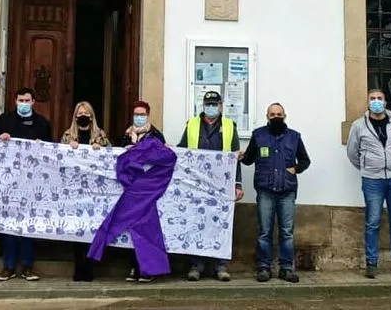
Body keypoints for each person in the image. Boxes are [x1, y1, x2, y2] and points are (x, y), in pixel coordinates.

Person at [346, 88, 391, 279]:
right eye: (372, 98)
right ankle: (371, 263)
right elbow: (353, 152)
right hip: (372, 180)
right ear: (367, 102)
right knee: (373, 221)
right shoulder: (359, 125)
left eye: (379, 98)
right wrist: (367, 166)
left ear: (385, 102)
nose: (376, 101)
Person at [240, 103, 311, 283]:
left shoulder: (294, 137)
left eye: (279, 114)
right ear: (267, 116)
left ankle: (286, 269)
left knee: (287, 232)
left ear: (285, 115)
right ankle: (264, 268)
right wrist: (240, 156)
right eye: (272, 114)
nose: (276, 117)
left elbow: (305, 160)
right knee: (265, 232)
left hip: (287, 191)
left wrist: (296, 168)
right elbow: (249, 159)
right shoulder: (258, 135)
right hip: (265, 190)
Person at [177, 91, 243, 282]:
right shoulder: (192, 125)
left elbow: (235, 157)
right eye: (208, 104)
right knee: (197, 222)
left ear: (220, 106)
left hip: (221, 184)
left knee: (220, 224)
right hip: (197, 184)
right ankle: (196, 265)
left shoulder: (230, 126)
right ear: (203, 105)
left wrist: (237, 184)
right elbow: (183, 151)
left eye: (215, 104)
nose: (211, 107)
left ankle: (220, 266)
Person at [0, 87, 52, 282]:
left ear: (33, 102)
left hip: (33, 183)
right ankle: (8, 267)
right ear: (15, 101)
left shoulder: (42, 123)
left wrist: (43, 146)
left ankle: (27, 266)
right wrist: (0, 139)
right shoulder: (3, 120)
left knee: (28, 224)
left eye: (27, 100)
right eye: (20, 100)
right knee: (9, 224)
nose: (24, 104)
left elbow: (52, 149)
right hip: (9, 182)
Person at [61, 101, 110, 282]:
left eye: (86, 113)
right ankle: (78, 267)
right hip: (75, 190)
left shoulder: (100, 135)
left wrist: (101, 150)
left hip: (94, 191)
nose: (83, 115)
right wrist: (68, 149)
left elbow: (110, 157)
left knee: (91, 229)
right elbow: (59, 158)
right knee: (77, 228)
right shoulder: (68, 135)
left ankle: (89, 267)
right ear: (75, 115)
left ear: (91, 116)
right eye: (80, 112)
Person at [118, 100, 166, 282]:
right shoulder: (126, 135)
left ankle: (148, 269)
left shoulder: (155, 135)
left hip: (148, 187)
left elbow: (161, 157)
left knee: (147, 229)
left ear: (148, 115)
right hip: (130, 187)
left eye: (142, 114)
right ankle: (134, 267)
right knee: (133, 229)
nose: (138, 117)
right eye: (136, 114)